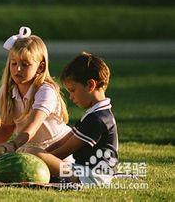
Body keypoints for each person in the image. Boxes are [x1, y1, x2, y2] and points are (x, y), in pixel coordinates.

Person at [0, 27, 71, 157]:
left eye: (25, 64)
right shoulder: (7, 90)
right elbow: (7, 127)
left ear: (40, 67)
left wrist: (13, 145)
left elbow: (33, 126)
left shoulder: (45, 91)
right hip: (30, 152)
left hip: (59, 150)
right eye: (14, 63)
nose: (18, 69)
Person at [29, 52, 119, 186]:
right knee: (34, 152)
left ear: (90, 85)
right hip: (81, 170)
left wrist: (39, 159)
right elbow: (63, 141)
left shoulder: (98, 119)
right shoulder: (93, 113)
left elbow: (65, 150)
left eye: (72, 90)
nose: (71, 97)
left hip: (92, 176)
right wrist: (43, 154)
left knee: (34, 153)